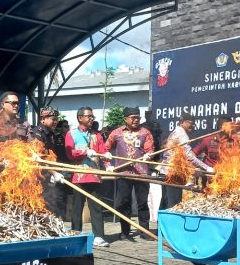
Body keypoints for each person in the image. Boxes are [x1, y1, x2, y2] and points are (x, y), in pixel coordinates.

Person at [104, 107, 154, 241]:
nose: (136, 120)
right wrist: (108, 165)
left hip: (141, 173)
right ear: (125, 119)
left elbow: (150, 149)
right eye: (132, 117)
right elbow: (105, 149)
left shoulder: (145, 133)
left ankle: (145, 231)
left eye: (138, 117)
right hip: (123, 173)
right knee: (124, 202)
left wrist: (148, 155)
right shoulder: (116, 133)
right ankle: (125, 232)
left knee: (142, 203)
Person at [65, 106, 112, 247]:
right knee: (77, 207)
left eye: (92, 116)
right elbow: (70, 153)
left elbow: (103, 151)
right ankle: (76, 234)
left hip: (95, 176)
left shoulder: (97, 135)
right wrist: (85, 152)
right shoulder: (71, 134)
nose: (91, 119)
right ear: (80, 118)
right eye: (88, 116)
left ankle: (98, 236)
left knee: (96, 207)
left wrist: (108, 162)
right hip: (79, 175)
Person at [160, 113, 212, 208]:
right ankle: (172, 223)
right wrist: (207, 167)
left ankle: (163, 223)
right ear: (182, 122)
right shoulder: (182, 135)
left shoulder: (176, 132)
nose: (192, 126)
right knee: (173, 205)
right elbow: (189, 156)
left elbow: (188, 155)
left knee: (165, 203)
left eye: (194, 123)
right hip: (173, 173)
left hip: (166, 172)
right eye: (190, 123)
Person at [31, 106, 67, 218]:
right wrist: (53, 173)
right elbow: (39, 159)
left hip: (50, 174)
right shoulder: (37, 133)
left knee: (55, 203)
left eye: (56, 119)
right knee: (44, 205)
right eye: (53, 119)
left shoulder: (52, 134)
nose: (55, 122)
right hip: (40, 177)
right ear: (43, 119)